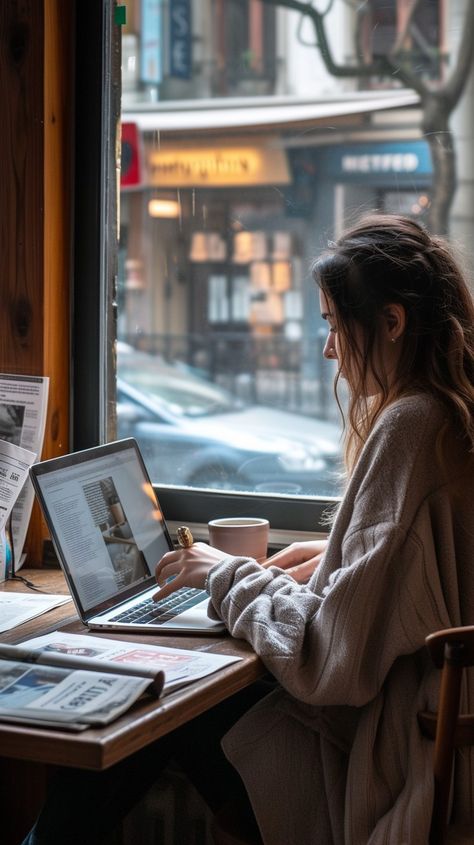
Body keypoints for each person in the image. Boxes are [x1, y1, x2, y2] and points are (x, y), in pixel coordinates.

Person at [21, 213, 474, 845]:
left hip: (396, 757)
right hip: (423, 731)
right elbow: (408, 576)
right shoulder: (453, 414)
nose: (328, 350)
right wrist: (334, 556)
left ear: (392, 323)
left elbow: (331, 661)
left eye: (333, 324)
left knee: (159, 702)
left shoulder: (411, 425)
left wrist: (225, 573)